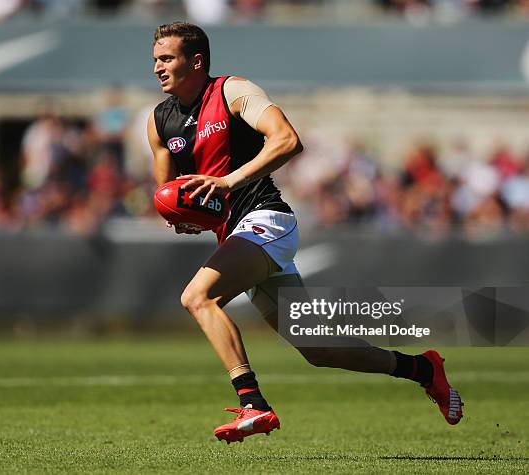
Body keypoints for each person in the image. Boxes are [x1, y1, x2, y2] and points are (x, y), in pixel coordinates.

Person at [147, 22, 463, 444]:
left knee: (197, 297)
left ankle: (253, 404)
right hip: (235, 236)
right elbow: (167, 195)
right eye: (155, 60)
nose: (157, 68)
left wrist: (228, 182)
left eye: (166, 58)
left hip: (266, 220)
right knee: (319, 349)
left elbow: (287, 140)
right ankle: (423, 369)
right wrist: (181, 218)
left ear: (197, 61)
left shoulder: (232, 91)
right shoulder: (159, 122)